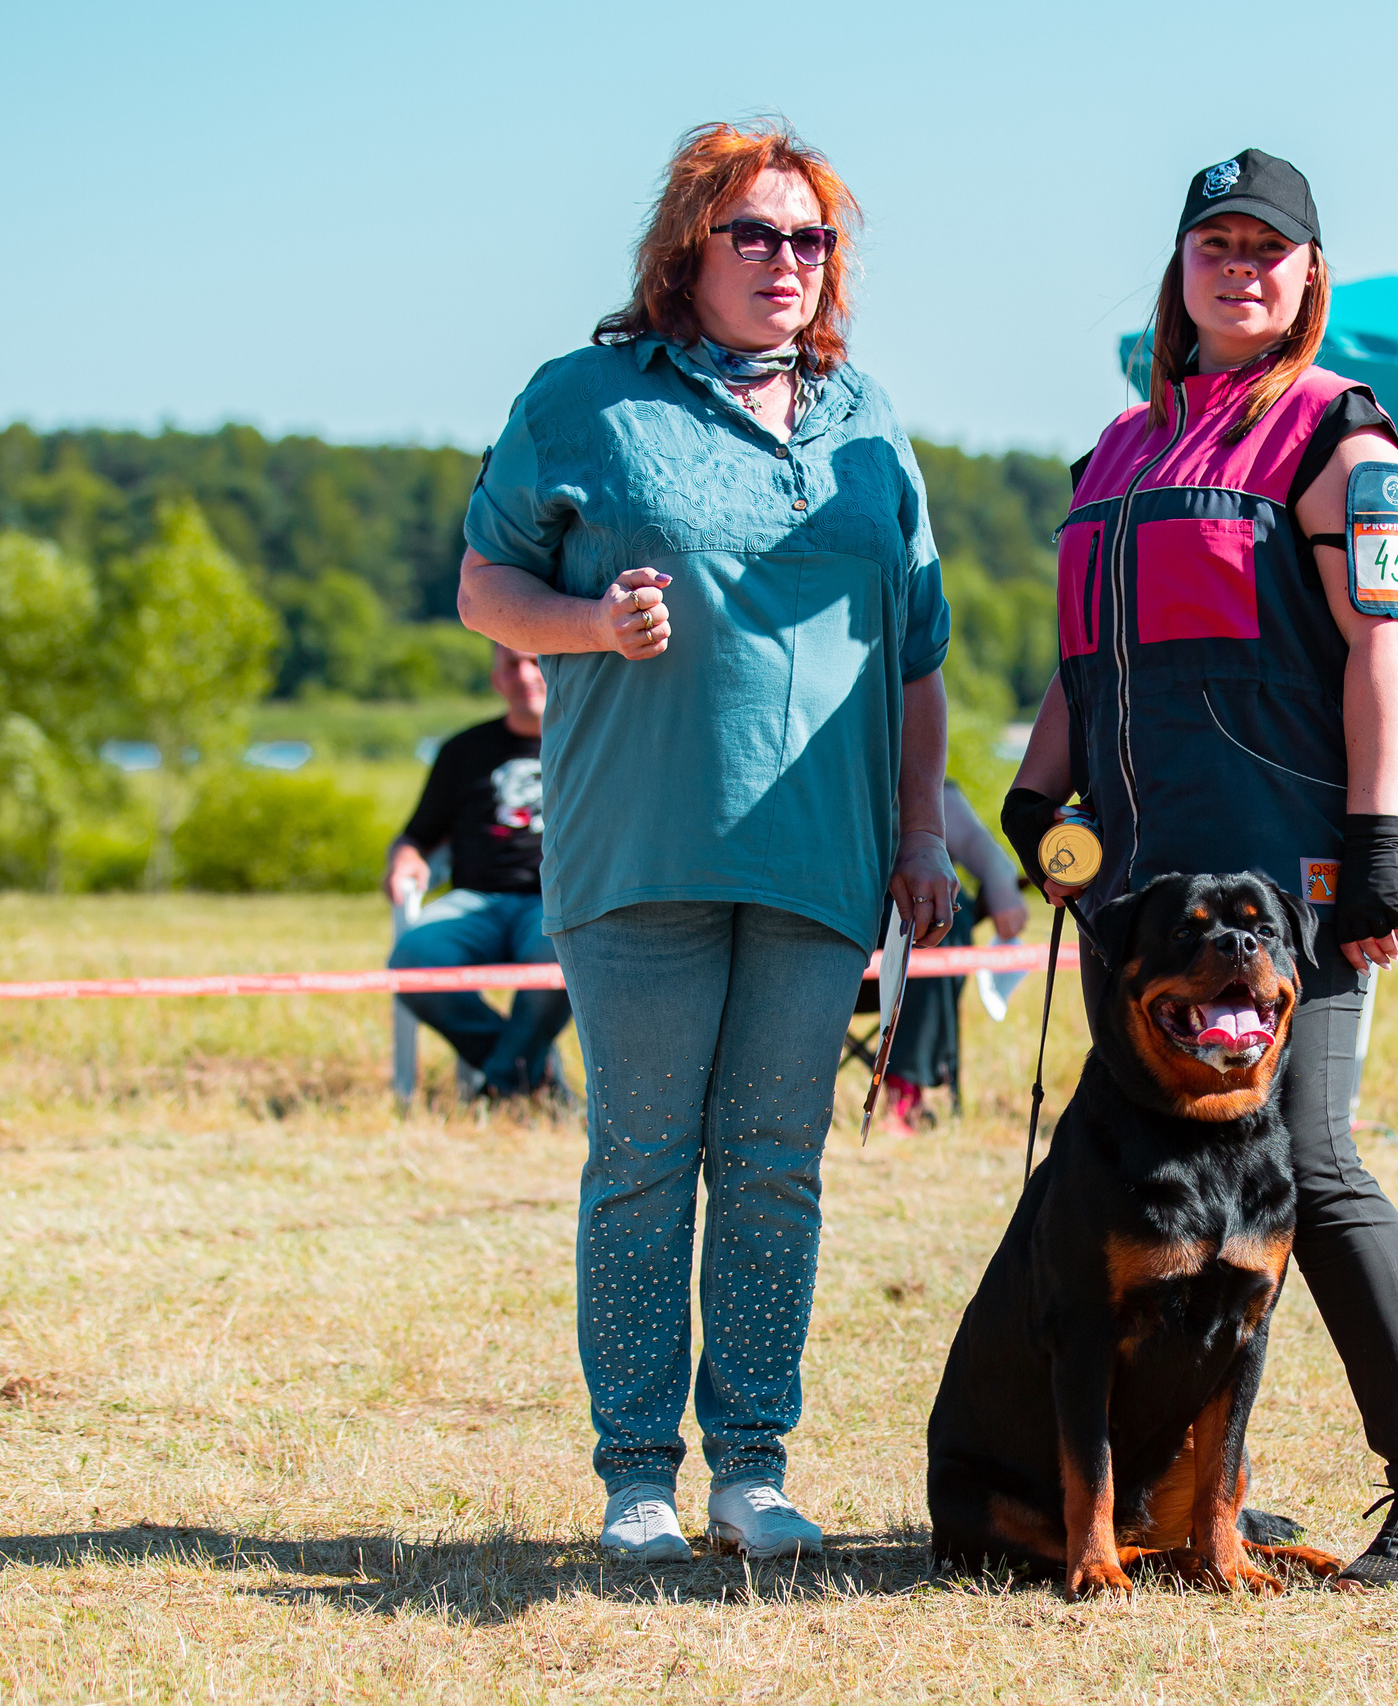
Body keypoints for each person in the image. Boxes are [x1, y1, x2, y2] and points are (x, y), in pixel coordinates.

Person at [455, 121, 954, 1565]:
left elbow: (917, 652)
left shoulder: (869, 424)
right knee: (642, 1159)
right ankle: (635, 1477)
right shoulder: (583, 400)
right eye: (757, 235)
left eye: (811, 240)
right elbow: (487, 583)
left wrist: (920, 828)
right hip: (642, 850)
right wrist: (587, 625)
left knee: (776, 1164)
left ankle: (751, 1464)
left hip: (820, 861)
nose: (788, 262)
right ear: (688, 250)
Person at [1002, 150, 1398, 1592]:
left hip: (1288, 889)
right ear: (1180, 268)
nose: (1240, 266)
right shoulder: (1118, 450)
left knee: (1312, 1163)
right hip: (1138, 899)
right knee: (1137, 1185)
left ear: (1308, 276)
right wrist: (1036, 794)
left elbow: (1385, 652)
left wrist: (1376, 841)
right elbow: (1087, 658)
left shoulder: (1342, 440)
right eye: (1215, 243)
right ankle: (1195, 1488)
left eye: (1269, 248)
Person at [383, 642, 573, 1101]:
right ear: (496, 680)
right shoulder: (464, 750)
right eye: (511, 665)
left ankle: (501, 1084)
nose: (525, 675)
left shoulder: (589, 743)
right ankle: (526, 1074)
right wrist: (404, 859)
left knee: (565, 964)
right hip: (474, 900)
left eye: (535, 662)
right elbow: (416, 836)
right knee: (411, 960)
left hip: (557, 901)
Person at [874, 781, 1027, 1131]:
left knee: (938, 918)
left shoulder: (909, 768)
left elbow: (971, 836)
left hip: (906, 941)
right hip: (835, 933)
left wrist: (1001, 882)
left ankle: (904, 1095)